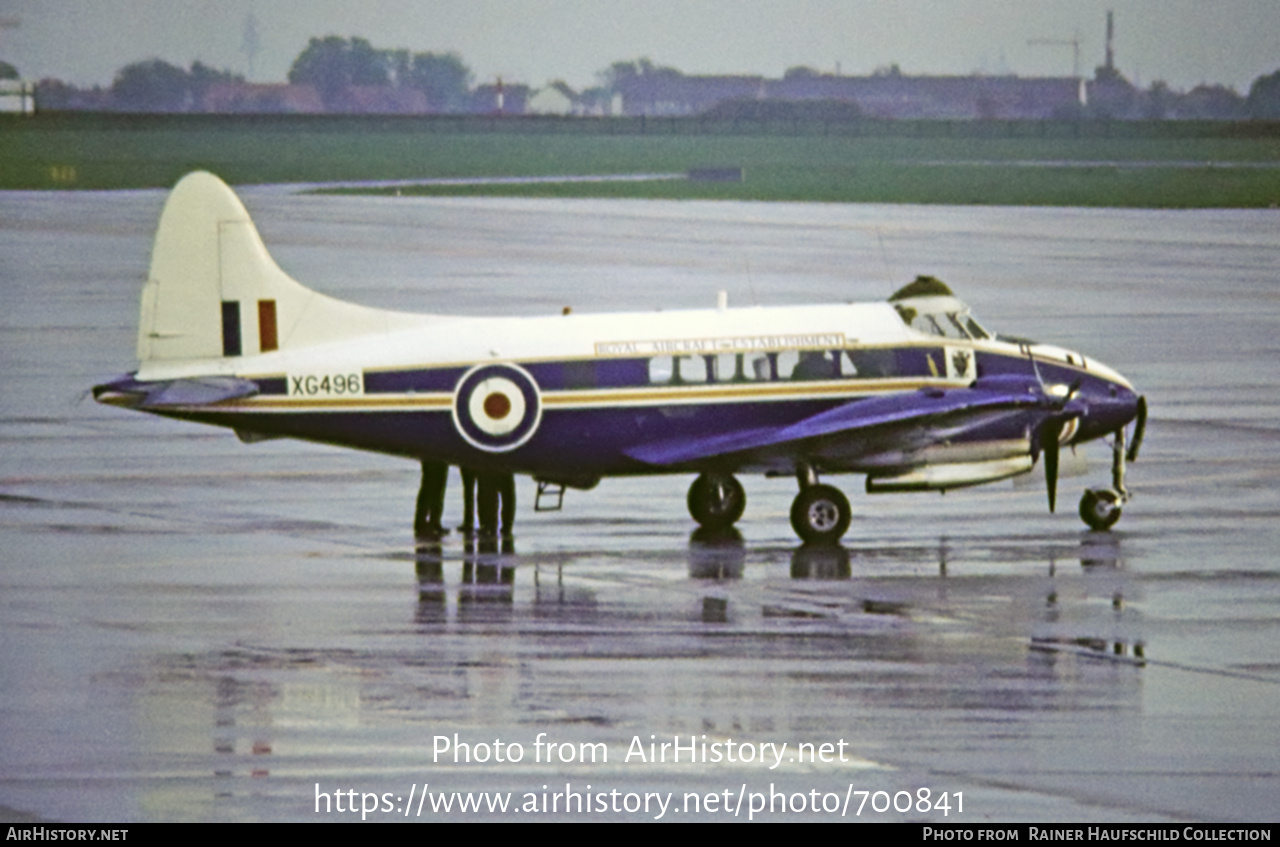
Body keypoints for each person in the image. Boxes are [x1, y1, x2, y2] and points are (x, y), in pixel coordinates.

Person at [413, 460, 448, 538]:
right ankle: (425, 522)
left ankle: (430, 521)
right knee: (431, 487)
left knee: (434, 486)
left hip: (435, 456)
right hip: (436, 456)